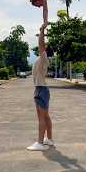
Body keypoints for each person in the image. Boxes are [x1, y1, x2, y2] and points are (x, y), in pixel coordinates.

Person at [27, 23, 55, 151]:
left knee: (41, 117)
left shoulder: (43, 58)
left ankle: (39, 142)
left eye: (45, 48)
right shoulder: (43, 59)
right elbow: (42, 46)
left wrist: (42, 30)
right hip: (42, 89)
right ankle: (48, 139)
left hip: (41, 89)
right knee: (46, 116)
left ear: (45, 51)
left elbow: (41, 45)